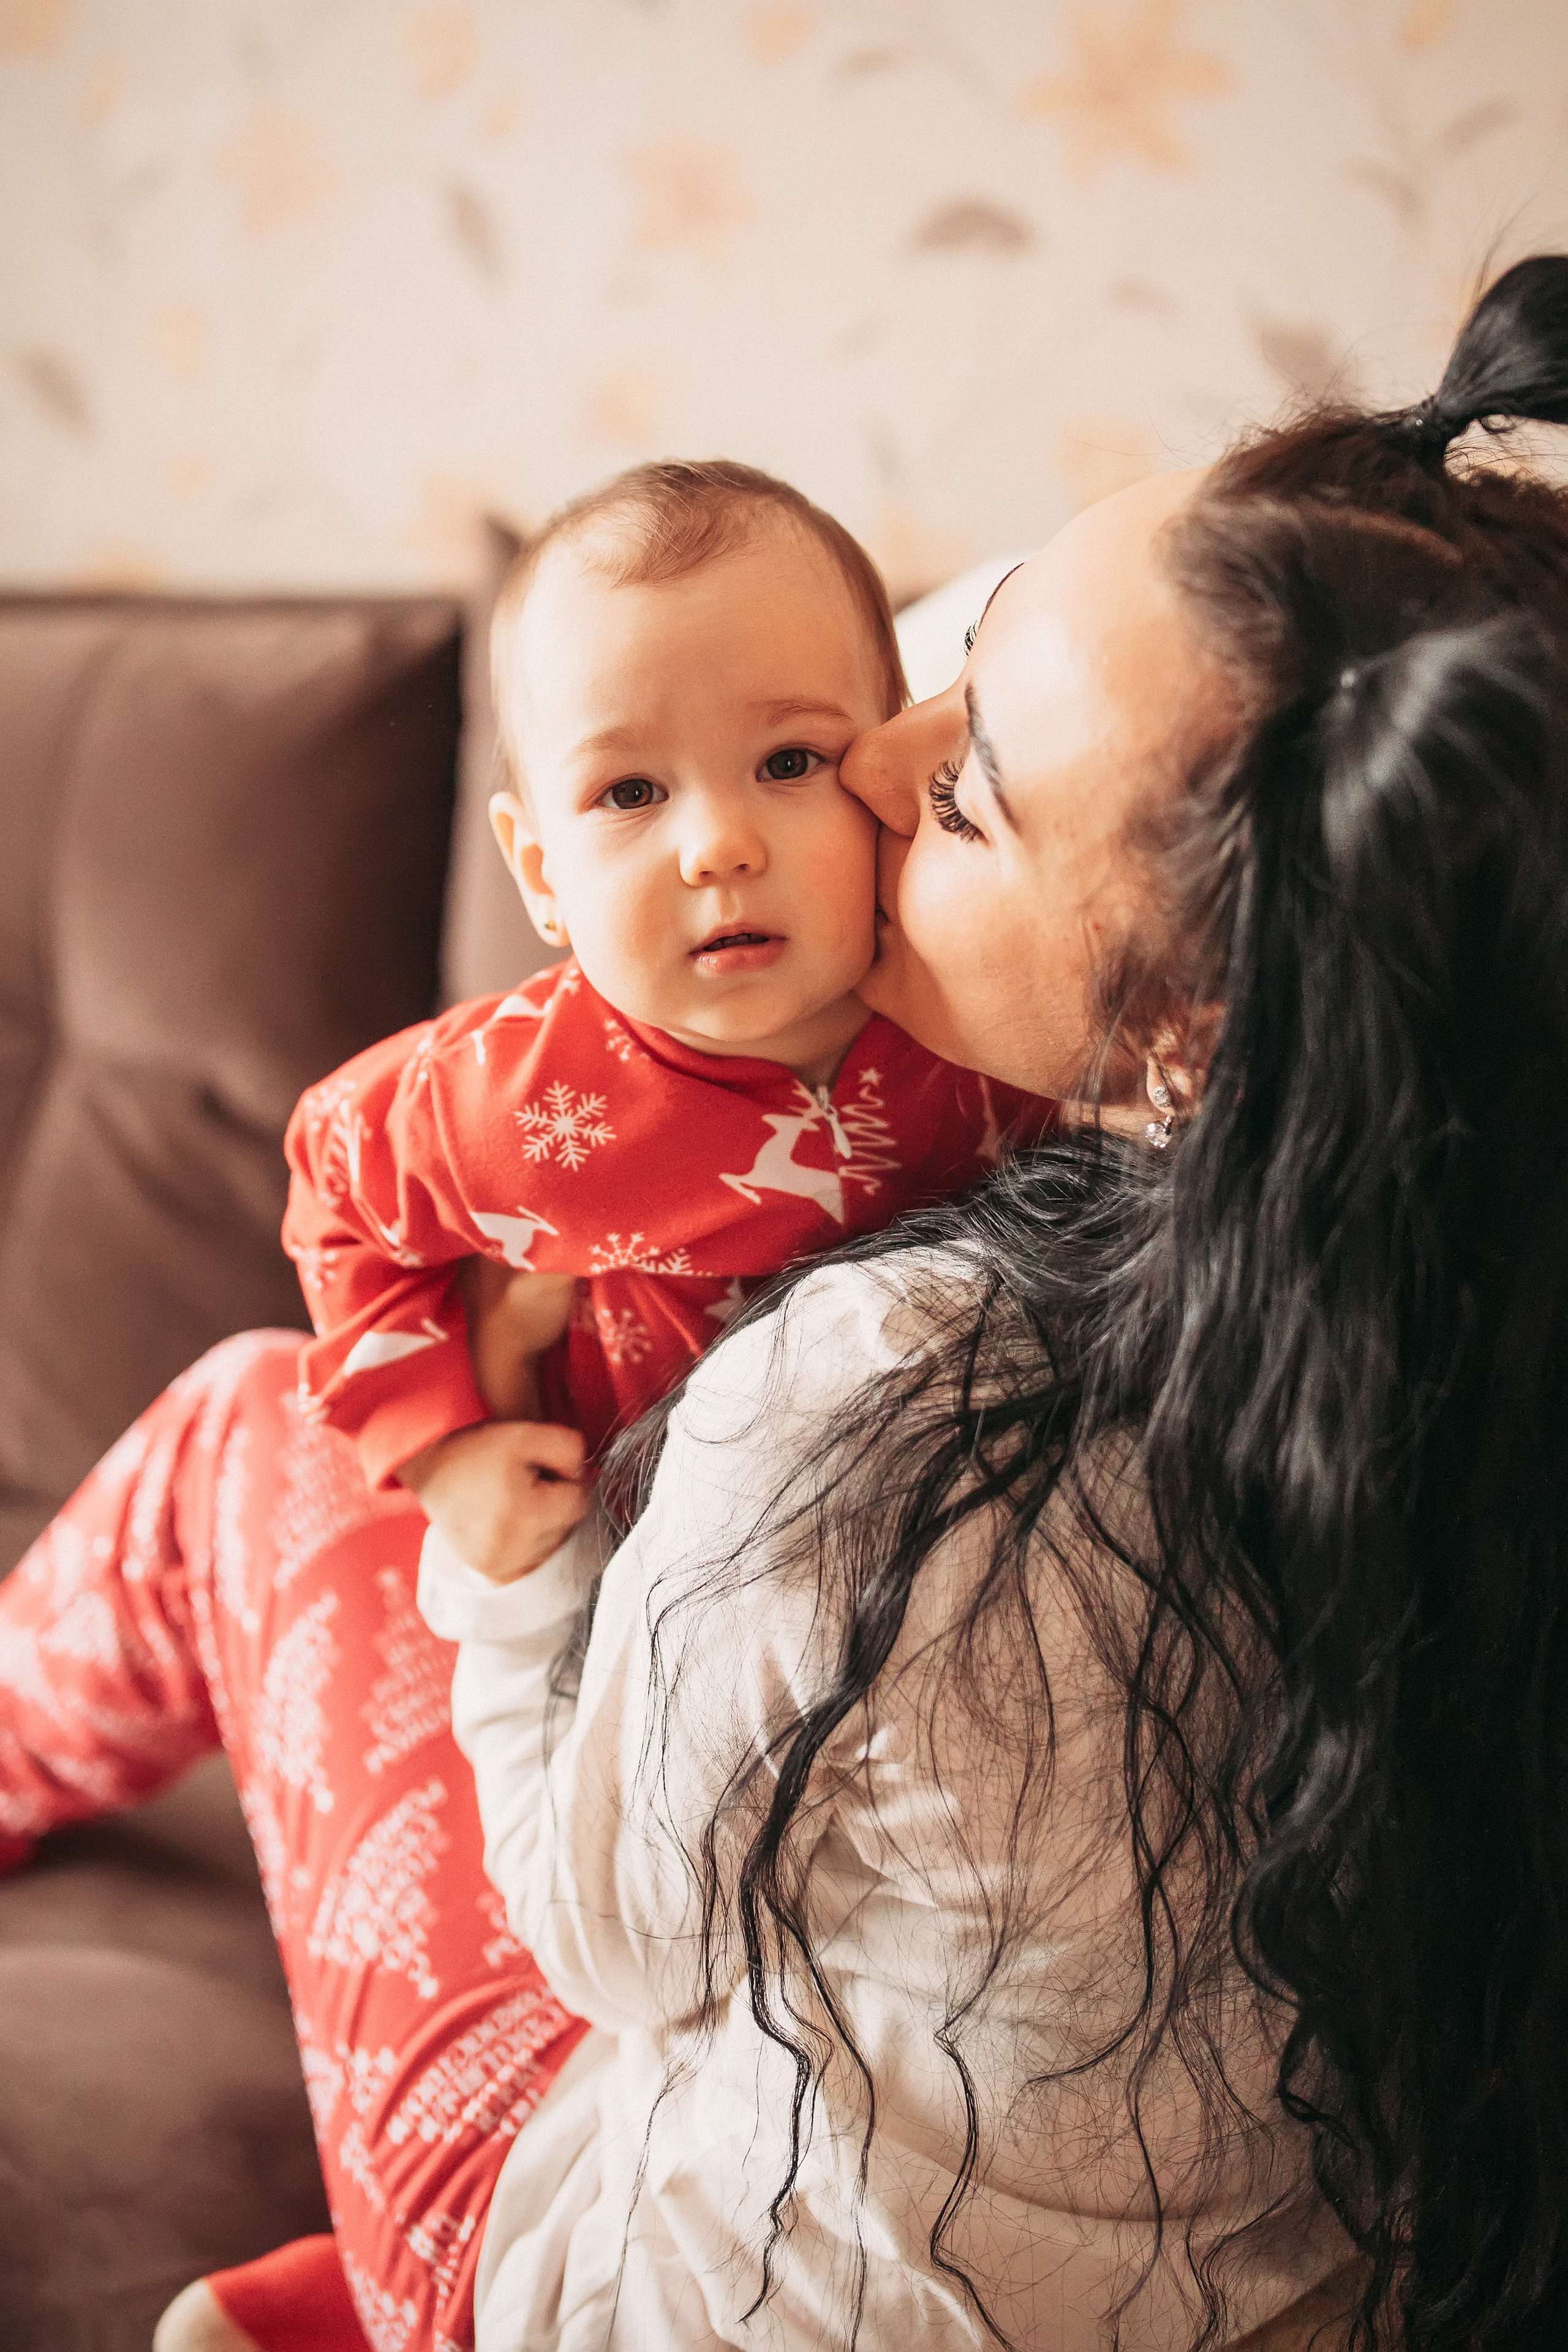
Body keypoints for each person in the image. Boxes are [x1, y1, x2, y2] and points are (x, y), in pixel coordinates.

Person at [2, 253, 1567, 2352]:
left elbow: (602, 1945)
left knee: (249, 1418)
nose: (869, 768)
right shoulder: (1447, 1269)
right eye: (959, 653)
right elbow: (351, 1171)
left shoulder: (887, 1400)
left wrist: (515, 1579)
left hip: (675, 2286)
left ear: (1191, 1036)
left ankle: (417, 2291)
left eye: (960, 781)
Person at [283, 459, 1050, 1589]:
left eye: (790, 762)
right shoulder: (519, 1092)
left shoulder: (981, 999)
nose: (719, 847)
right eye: (632, 792)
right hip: (622, 1565)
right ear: (541, 873)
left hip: (922, 1540)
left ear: (889, 770)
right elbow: (336, 1176)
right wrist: (441, 1452)